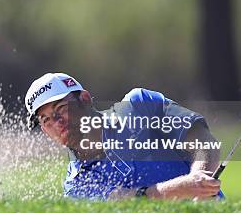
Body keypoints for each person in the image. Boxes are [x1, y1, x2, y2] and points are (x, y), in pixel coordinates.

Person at [25, 72, 224, 200]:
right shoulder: (76, 185)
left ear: (84, 99)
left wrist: (201, 176)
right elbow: (135, 201)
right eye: (46, 120)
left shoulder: (140, 106)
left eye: (61, 108)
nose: (57, 121)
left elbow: (203, 141)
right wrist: (184, 187)